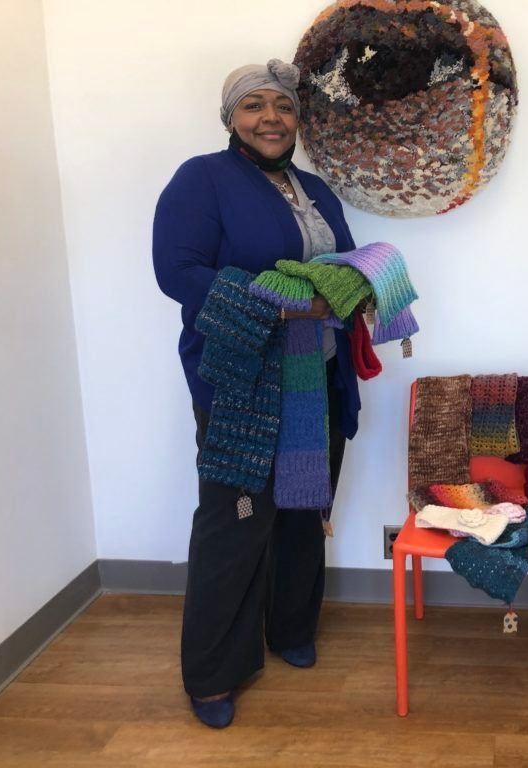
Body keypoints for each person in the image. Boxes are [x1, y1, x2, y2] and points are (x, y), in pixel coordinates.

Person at [153, 59, 360, 729]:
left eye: (283, 106)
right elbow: (178, 270)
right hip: (242, 380)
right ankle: (213, 672)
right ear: (230, 118)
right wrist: (282, 301)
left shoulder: (316, 190)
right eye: (253, 106)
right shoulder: (202, 179)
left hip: (316, 378)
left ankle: (291, 626)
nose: (271, 117)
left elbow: (345, 265)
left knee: (302, 508)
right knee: (236, 521)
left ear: (298, 120)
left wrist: (359, 280)